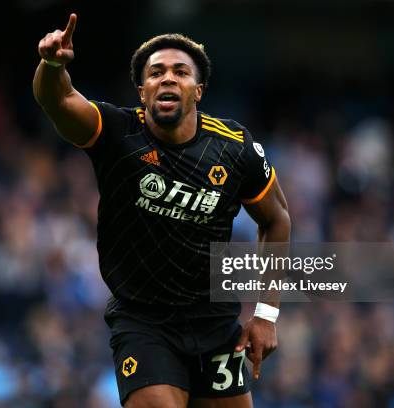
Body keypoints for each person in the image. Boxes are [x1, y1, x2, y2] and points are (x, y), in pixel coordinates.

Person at [33, 13, 291, 408]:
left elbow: (276, 220)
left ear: (198, 90)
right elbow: (58, 100)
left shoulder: (235, 147)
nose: (167, 78)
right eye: (156, 73)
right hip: (142, 321)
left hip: (215, 323)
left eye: (180, 72)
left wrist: (267, 313)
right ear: (142, 91)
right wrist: (52, 65)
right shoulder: (117, 133)